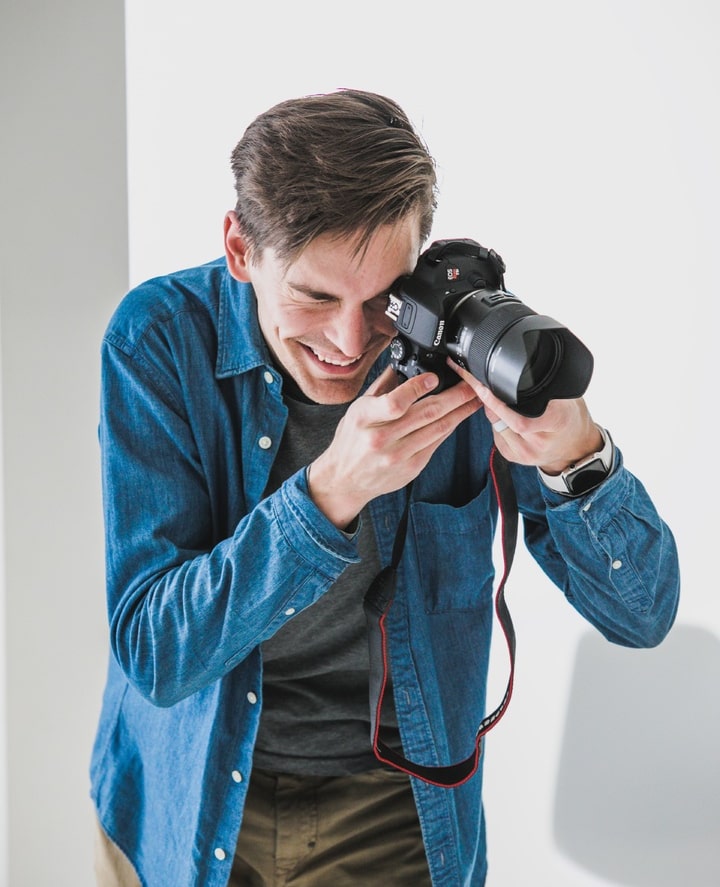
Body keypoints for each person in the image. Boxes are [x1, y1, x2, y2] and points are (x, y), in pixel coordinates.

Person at [90, 89, 680, 887]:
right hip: (180, 798)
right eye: (315, 296)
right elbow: (155, 653)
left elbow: (643, 616)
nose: (348, 340)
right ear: (239, 249)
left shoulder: (460, 350)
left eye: (383, 301)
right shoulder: (159, 339)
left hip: (394, 804)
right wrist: (329, 493)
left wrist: (577, 458)